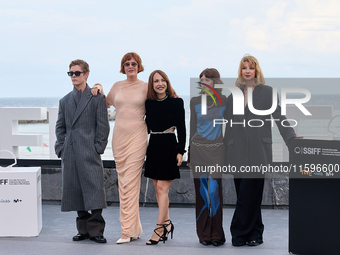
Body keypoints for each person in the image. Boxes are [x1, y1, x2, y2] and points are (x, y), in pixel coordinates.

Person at [224, 54, 296, 246]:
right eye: (244, 68)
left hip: (258, 151)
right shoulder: (234, 95)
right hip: (237, 151)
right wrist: (224, 154)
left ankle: (238, 233)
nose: (247, 71)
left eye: (251, 68)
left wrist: (291, 138)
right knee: (246, 195)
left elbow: (279, 116)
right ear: (240, 72)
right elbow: (228, 126)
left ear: (257, 71)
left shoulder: (268, 92)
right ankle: (256, 234)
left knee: (249, 192)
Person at [91, 52, 148, 244]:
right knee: (124, 184)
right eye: (126, 64)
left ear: (139, 66)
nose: (130, 66)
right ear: (122, 67)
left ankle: (126, 231)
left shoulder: (146, 87)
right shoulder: (116, 87)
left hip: (138, 138)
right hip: (119, 139)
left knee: (130, 183)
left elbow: (161, 103)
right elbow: (103, 103)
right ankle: (135, 228)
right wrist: (98, 86)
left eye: (133, 63)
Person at [55, 59, 110, 243]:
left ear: (86, 74)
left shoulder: (97, 98)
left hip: (89, 152)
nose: (73, 76)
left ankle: (96, 231)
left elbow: (103, 126)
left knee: (94, 189)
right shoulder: (65, 101)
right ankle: (83, 229)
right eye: (71, 73)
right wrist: (60, 148)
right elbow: (60, 127)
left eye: (77, 73)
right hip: (70, 152)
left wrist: (98, 148)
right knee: (75, 191)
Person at [144, 70, 186, 245]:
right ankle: (167, 224)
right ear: (151, 85)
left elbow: (182, 128)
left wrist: (181, 151)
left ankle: (159, 228)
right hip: (153, 146)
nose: (160, 84)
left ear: (167, 83)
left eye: (163, 80)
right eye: (156, 81)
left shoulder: (176, 102)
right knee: (157, 188)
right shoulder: (148, 103)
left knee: (162, 188)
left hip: (169, 145)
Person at [188, 68, 227, 246]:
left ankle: (217, 233)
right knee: (202, 193)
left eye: (208, 80)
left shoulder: (224, 101)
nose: (203, 82)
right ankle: (203, 233)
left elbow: (234, 124)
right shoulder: (195, 101)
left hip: (217, 151)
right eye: (201, 80)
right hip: (198, 151)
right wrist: (189, 153)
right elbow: (193, 128)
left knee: (214, 192)